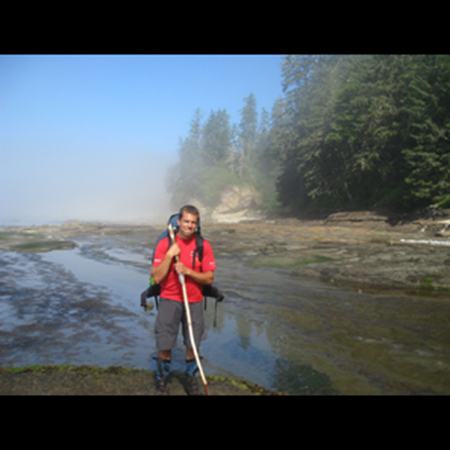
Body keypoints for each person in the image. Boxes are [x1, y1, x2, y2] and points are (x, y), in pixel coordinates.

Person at [151, 204, 216, 395]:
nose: (189, 225)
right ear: (179, 221)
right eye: (186, 221)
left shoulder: (203, 246)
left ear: (197, 224)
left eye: (193, 222)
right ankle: (162, 379)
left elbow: (209, 278)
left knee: (192, 345)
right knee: (165, 344)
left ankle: (190, 378)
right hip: (169, 299)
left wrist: (188, 271)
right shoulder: (165, 243)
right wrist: (170, 256)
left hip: (194, 300)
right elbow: (156, 277)